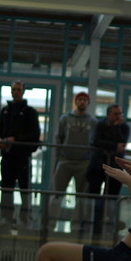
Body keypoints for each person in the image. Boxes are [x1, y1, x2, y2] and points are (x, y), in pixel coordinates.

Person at [0, 80, 40, 230]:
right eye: (14, 89)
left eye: (18, 90)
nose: (16, 92)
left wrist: (16, 139)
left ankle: (25, 218)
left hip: (22, 156)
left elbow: (35, 135)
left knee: (24, 189)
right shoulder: (5, 111)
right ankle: (6, 218)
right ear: (11, 91)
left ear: (23, 92)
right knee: (6, 188)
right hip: (7, 156)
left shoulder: (30, 112)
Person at [49, 91, 96, 232]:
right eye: (79, 99)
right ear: (76, 102)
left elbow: (94, 141)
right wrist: (60, 155)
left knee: (81, 197)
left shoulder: (93, 122)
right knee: (57, 194)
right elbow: (59, 137)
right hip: (65, 161)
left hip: (83, 162)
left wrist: (89, 157)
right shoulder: (65, 119)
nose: (82, 102)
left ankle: (76, 227)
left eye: (84, 100)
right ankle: (49, 225)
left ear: (88, 103)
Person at [86, 104, 130, 235]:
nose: (119, 117)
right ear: (108, 114)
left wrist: (116, 128)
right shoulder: (100, 124)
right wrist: (114, 146)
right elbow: (95, 141)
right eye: (116, 114)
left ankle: (110, 226)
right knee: (94, 196)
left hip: (115, 166)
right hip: (98, 164)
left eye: (120, 114)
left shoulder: (124, 127)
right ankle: (93, 225)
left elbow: (122, 143)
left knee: (111, 197)